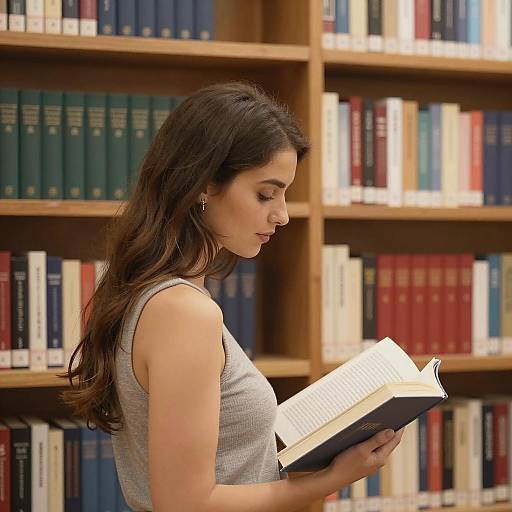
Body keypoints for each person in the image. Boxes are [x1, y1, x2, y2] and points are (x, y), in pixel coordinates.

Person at [64, 82, 403, 512]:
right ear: (204, 184)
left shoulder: (153, 291)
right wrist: (328, 480)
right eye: (266, 193)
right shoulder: (183, 312)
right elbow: (185, 504)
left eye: (284, 195)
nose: (281, 215)